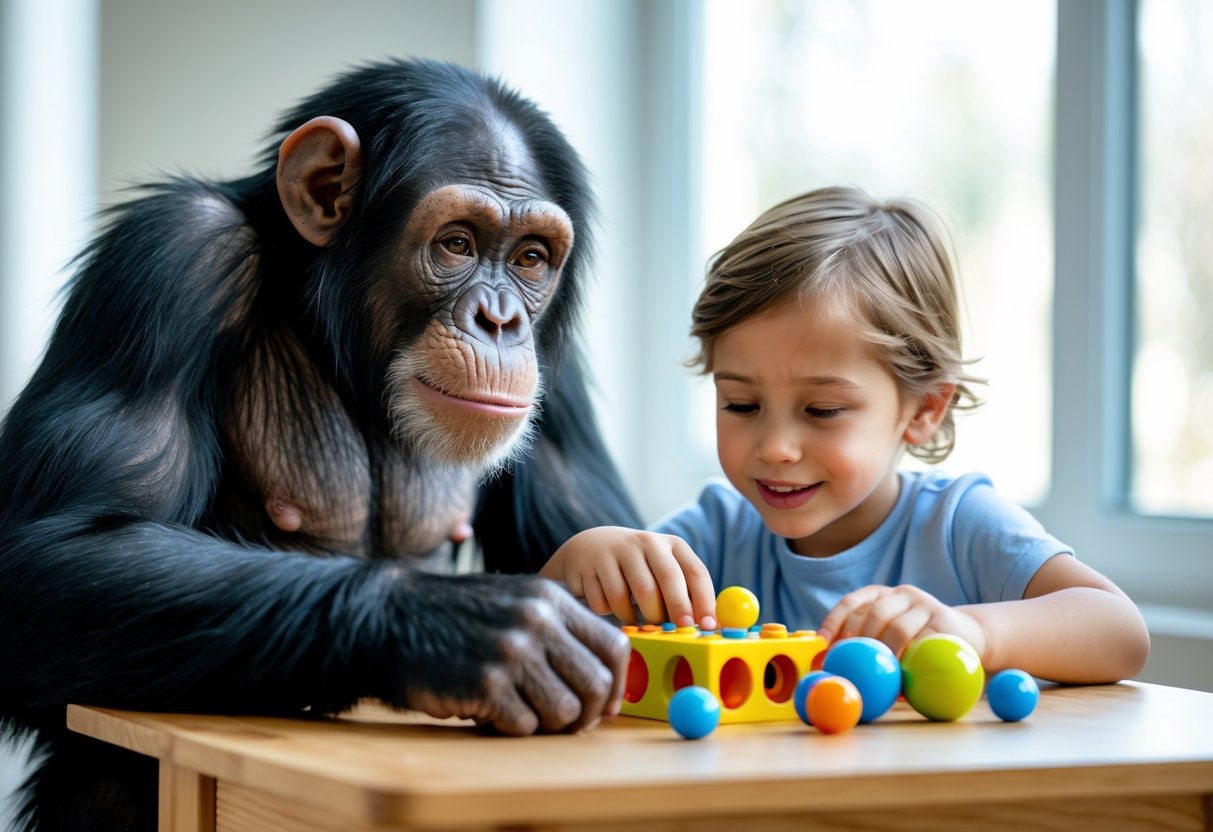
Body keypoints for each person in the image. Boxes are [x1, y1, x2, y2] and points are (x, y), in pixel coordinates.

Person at [540, 186, 1150, 683]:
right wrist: (570, 570)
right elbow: (551, 641)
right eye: (741, 403)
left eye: (823, 411)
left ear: (923, 411)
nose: (776, 446)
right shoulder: (716, 535)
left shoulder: (959, 526)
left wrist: (978, 633)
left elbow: (1121, 632)